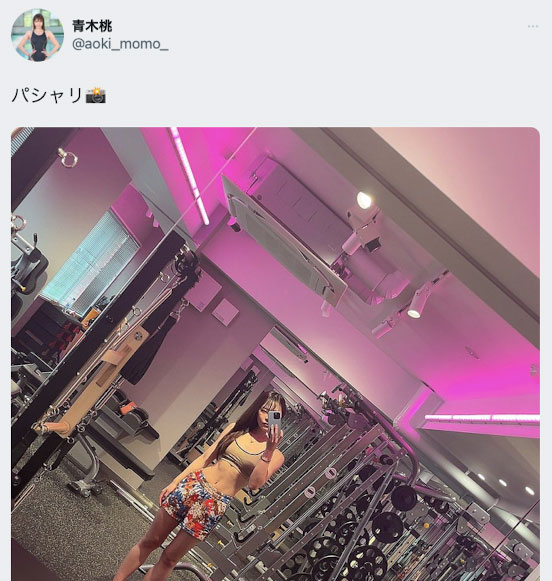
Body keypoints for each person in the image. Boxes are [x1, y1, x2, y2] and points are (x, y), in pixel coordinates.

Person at [113, 390, 287, 581]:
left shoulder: (276, 456)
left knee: (170, 558)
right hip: (194, 485)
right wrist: (175, 482)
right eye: (264, 410)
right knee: (150, 540)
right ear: (256, 410)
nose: (267, 417)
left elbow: (254, 484)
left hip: (214, 505)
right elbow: (204, 458)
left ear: (280, 419)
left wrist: (269, 449)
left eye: (274, 414)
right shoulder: (236, 429)